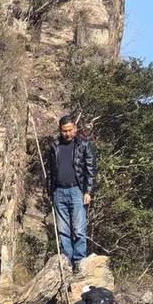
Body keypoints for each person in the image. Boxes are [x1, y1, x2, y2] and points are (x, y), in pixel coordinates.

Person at [46, 115, 97, 273]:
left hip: (77, 191)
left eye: (70, 130)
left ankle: (79, 262)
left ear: (75, 129)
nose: (67, 134)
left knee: (79, 230)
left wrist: (88, 191)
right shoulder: (54, 146)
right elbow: (50, 171)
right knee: (63, 230)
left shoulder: (84, 145)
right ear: (60, 130)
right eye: (64, 131)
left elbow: (90, 169)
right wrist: (50, 191)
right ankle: (67, 262)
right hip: (58, 191)